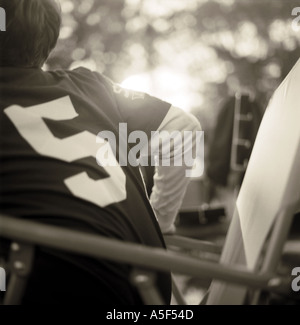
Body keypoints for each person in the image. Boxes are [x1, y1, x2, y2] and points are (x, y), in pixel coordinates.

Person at [0, 0, 201, 305]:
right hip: (149, 295)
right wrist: (160, 219)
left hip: (54, 289)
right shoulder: (92, 85)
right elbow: (182, 127)